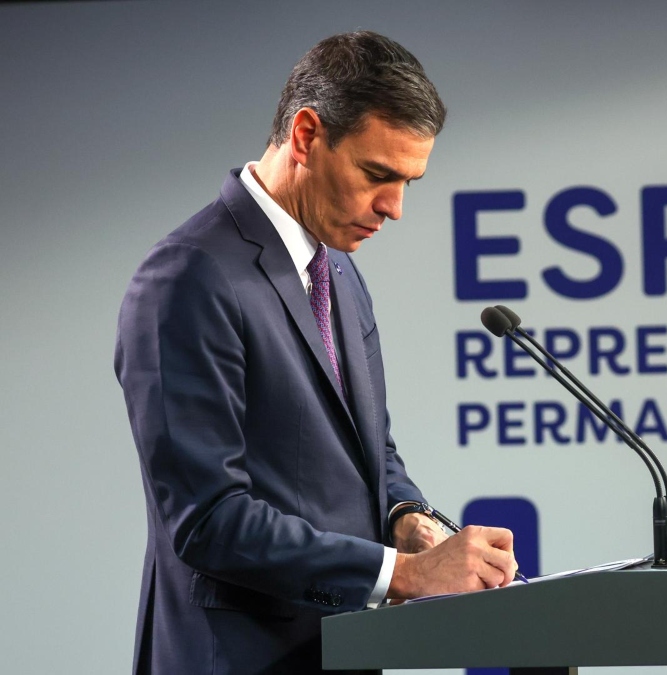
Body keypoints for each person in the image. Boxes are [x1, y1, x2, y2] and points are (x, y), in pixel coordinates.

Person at [114, 31, 517, 674]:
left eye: (409, 181)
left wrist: (405, 516)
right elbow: (208, 519)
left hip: (341, 654)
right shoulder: (188, 277)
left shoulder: (339, 273)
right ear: (305, 137)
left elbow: (371, 454)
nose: (395, 208)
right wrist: (402, 573)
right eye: (378, 175)